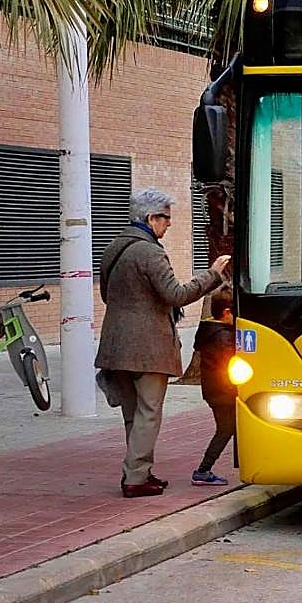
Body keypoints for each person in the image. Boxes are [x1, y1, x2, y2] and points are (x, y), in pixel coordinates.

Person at [95, 188, 230, 498]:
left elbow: (106, 294)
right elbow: (176, 295)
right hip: (149, 348)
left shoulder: (113, 248)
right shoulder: (150, 252)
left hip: (115, 344)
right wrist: (212, 274)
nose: (169, 224)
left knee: (133, 414)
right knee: (149, 412)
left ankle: (137, 471)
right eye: (166, 218)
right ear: (150, 218)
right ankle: (136, 478)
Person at [192, 287, 236, 486]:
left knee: (230, 427)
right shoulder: (223, 337)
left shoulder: (209, 330)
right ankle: (203, 470)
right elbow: (230, 364)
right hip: (223, 392)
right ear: (226, 312)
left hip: (214, 391)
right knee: (226, 429)